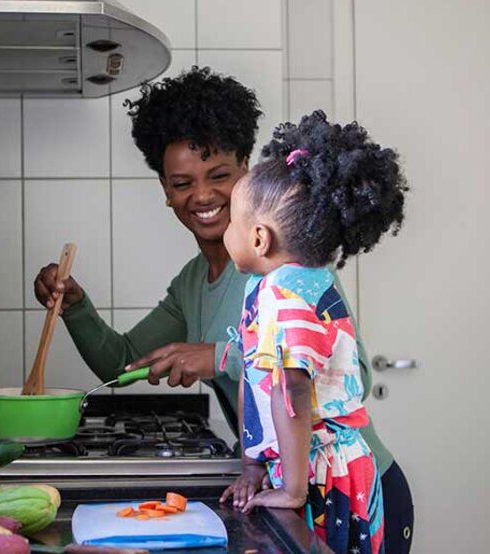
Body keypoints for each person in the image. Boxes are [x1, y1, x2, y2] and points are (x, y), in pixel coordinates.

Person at [33, 67, 414, 553]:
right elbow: (121, 362)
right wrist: (76, 307)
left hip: (353, 494)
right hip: (296, 492)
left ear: (246, 174)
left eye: (220, 176)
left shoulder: (290, 266)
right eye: (182, 182)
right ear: (166, 191)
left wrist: (218, 358)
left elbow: (348, 374)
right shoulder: (194, 282)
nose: (204, 195)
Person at [218, 112, 407, 553]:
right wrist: (253, 464)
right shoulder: (272, 287)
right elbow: (254, 376)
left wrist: (293, 492)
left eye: (232, 222)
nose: (226, 232)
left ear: (260, 239)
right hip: (305, 471)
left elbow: (292, 392)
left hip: (328, 482)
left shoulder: (287, 297)